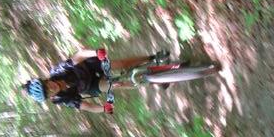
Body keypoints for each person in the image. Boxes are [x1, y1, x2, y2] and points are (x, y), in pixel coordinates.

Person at [22, 49, 169, 114]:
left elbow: (79, 55)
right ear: (50, 97)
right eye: (48, 92)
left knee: (121, 65)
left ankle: (152, 58)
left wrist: (96, 53)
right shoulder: (62, 98)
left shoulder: (58, 71)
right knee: (117, 84)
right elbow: (88, 107)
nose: (51, 88)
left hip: (89, 67)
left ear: (46, 80)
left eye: (46, 85)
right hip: (90, 85)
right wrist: (104, 108)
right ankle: (155, 80)